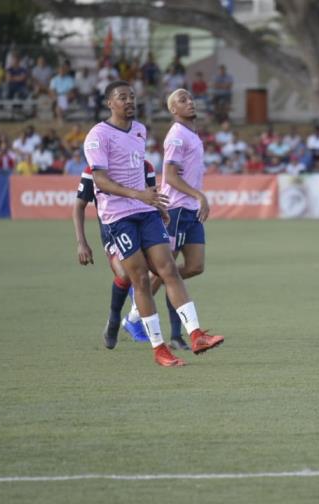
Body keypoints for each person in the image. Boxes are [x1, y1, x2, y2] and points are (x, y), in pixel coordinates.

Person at [83, 80, 224, 367]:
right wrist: (138, 195)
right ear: (110, 103)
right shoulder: (98, 135)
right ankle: (159, 349)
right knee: (141, 281)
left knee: (169, 269)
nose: (129, 101)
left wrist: (156, 204)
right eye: (122, 97)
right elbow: (99, 180)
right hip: (118, 217)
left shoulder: (139, 130)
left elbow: (140, 173)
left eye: (132, 97)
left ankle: (195, 334)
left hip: (146, 210)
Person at [143, 88, 212, 350]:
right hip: (176, 209)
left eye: (191, 98)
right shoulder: (176, 135)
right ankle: (172, 333)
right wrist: (200, 195)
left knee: (194, 267)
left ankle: (139, 308)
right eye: (182, 100)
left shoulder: (191, 134)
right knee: (170, 272)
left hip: (190, 209)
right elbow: (169, 177)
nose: (190, 102)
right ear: (173, 110)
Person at [73, 160, 160, 346]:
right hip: (113, 228)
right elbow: (79, 206)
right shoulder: (94, 170)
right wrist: (82, 243)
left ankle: (136, 320)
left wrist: (162, 213)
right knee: (125, 273)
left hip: (144, 224)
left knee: (158, 271)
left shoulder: (145, 167)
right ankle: (114, 319)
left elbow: (153, 198)